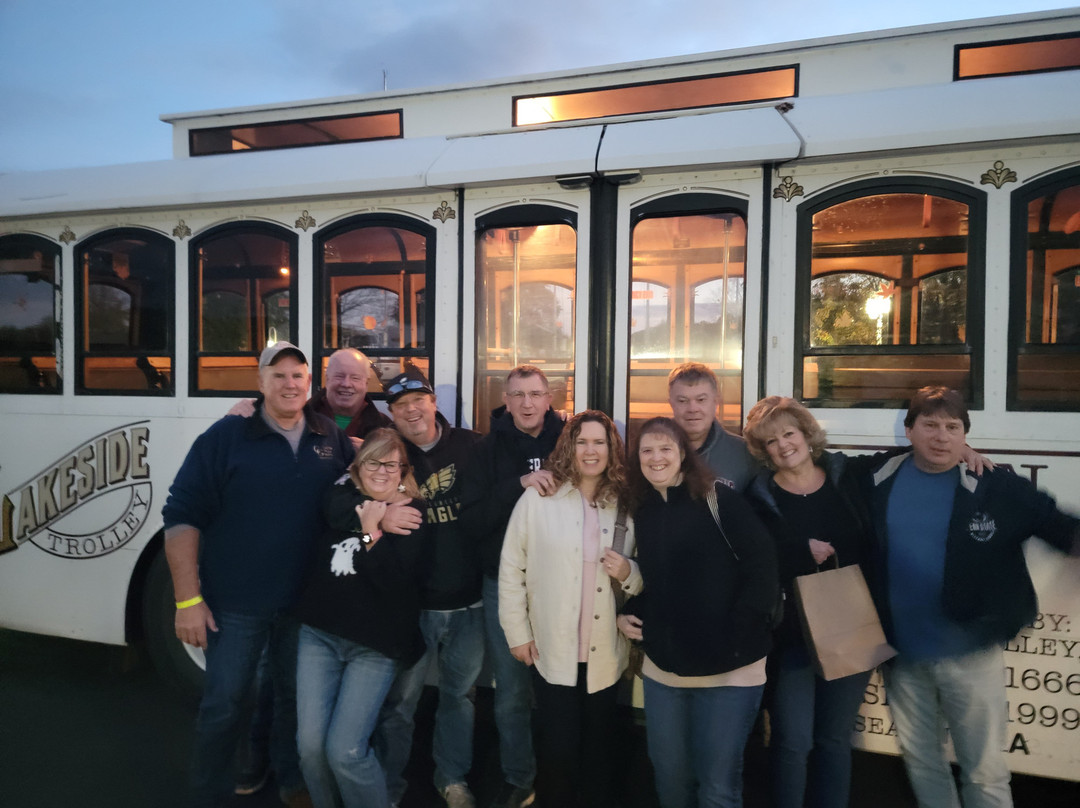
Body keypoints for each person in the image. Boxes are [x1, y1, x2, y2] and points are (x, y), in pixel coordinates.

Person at [856, 386, 1080, 808]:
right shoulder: (877, 477)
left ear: (965, 435)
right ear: (909, 430)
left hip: (970, 654)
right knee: (922, 762)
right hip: (902, 656)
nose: (941, 437)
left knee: (984, 771)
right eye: (930, 425)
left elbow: (1058, 524)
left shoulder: (996, 487)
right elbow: (814, 461)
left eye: (952, 427)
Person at [161, 341, 354, 808]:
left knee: (293, 700)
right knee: (225, 704)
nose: (289, 384)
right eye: (278, 375)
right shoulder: (225, 437)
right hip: (236, 604)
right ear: (260, 383)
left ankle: (291, 781)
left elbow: (367, 476)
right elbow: (181, 516)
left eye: (297, 375)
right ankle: (207, 795)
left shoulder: (329, 436)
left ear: (309, 383)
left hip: (303, 605)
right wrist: (187, 600)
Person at [618, 417, 778, 808]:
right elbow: (659, 580)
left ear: (683, 454)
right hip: (665, 672)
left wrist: (737, 636)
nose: (656, 457)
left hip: (730, 672)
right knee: (671, 781)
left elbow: (763, 568)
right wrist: (630, 612)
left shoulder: (718, 499)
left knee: (717, 787)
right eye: (647, 450)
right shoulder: (644, 510)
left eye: (665, 448)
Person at [499, 410, 642, 808]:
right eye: (582, 442)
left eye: (599, 442)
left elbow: (646, 571)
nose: (590, 451)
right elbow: (511, 567)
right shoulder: (539, 498)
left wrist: (630, 573)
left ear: (612, 449)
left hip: (605, 652)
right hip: (552, 649)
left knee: (600, 753)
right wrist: (518, 634)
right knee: (557, 752)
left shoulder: (626, 502)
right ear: (568, 447)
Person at [742, 397, 873, 808]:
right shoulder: (758, 497)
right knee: (792, 740)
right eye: (771, 441)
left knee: (834, 739)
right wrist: (799, 552)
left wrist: (966, 450)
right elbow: (752, 561)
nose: (783, 445)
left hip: (851, 628)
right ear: (763, 451)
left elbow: (908, 455)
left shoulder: (845, 478)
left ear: (806, 434)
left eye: (789, 434)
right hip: (791, 638)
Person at [293, 428, 431, 808]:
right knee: (309, 747)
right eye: (373, 462)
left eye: (391, 465)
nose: (382, 471)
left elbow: (396, 583)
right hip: (319, 635)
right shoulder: (345, 498)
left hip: (373, 647)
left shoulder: (413, 513)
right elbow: (329, 505)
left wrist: (372, 531)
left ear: (403, 472)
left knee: (346, 751)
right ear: (357, 468)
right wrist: (373, 518)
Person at [375, 366, 485, 808]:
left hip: (469, 604)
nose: (411, 411)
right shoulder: (388, 454)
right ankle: (387, 787)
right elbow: (348, 491)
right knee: (400, 702)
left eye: (418, 400)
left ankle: (452, 779)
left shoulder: (472, 445)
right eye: (400, 405)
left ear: (434, 403)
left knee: (460, 698)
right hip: (413, 606)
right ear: (391, 414)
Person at [459, 365, 565, 808]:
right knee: (512, 691)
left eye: (535, 394)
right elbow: (471, 520)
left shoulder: (569, 440)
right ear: (505, 399)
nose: (527, 403)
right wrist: (519, 486)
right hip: (504, 585)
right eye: (518, 395)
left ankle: (563, 774)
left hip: (562, 581)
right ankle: (519, 777)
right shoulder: (485, 449)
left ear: (549, 397)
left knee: (562, 685)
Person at [667, 363, 759, 490]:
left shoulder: (744, 455)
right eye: (682, 401)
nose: (692, 409)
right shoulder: (650, 452)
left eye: (701, 400)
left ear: (716, 401)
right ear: (671, 404)